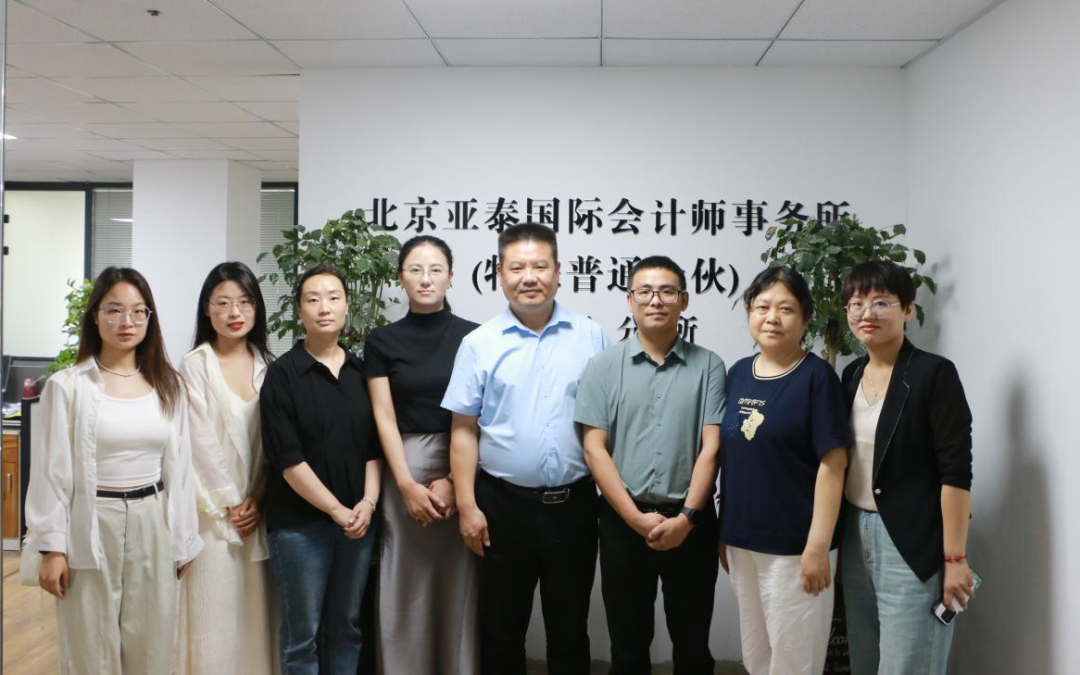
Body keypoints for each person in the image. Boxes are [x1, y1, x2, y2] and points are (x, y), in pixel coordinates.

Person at [442, 223, 610, 675]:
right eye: (517, 268)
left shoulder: (591, 336)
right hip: (501, 507)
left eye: (540, 266)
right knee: (501, 633)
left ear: (558, 270)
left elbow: (607, 423)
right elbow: (463, 430)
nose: (529, 277)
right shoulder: (479, 344)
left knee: (570, 632)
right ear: (500, 274)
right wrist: (467, 507)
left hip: (575, 506)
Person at [25, 266, 203, 674]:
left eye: (139, 311)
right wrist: (52, 548)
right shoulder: (68, 386)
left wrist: (184, 539)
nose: (127, 321)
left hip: (153, 519)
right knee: (89, 645)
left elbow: (179, 468)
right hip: (91, 521)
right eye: (114, 310)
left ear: (149, 318)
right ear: (96, 316)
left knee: (152, 643)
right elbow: (51, 473)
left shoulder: (168, 386)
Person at [575, 256, 725, 675]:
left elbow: (711, 448)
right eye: (645, 291)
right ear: (630, 300)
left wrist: (687, 518)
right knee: (628, 645)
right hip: (623, 522)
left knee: (693, 644)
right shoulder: (603, 366)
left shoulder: (709, 365)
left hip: (691, 523)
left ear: (684, 300)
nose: (655, 300)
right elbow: (594, 449)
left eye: (666, 291)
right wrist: (635, 519)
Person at [839, 260, 975, 675]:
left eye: (881, 302)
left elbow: (955, 472)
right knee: (865, 659)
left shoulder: (934, 373)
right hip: (855, 533)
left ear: (908, 310)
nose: (867, 313)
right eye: (856, 303)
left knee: (908, 664)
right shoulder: (851, 374)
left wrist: (955, 558)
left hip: (911, 538)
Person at [717, 266, 851, 675]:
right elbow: (734, 459)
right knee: (756, 655)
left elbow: (834, 464)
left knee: (794, 660)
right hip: (742, 541)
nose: (772, 318)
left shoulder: (817, 378)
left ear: (806, 316)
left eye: (786, 309)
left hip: (795, 547)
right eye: (762, 307)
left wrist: (817, 546)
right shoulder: (739, 373)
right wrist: (725, 532)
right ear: (749, 312)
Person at [365, 235, 480, 675]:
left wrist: (454, 480)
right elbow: (383, 417)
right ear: (401, 277)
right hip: (404, 469)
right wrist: (406, 485)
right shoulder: (382, 340)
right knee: (403, 580)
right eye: (415, 269)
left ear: (451, 276)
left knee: (458, 581)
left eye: (435, 270)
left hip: (462, 465)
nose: (425, 278)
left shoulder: (475, 337)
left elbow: (480, 416)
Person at [259, 264, 383, 675]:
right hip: (300, 529)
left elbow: (374, 448)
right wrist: (336, 510)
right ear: (299, 311)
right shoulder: (282, 375)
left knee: (346, 628)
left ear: (347, 306)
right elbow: (287, 460)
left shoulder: (362, 372)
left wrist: (367, 503)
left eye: (333, 298)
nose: (324, 307)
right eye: (312, 300)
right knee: (303, 637)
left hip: (357, 525)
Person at [176, 261, 277, 675]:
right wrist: (233, 503)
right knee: (212, 618)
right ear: (207, 309)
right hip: (211, 515)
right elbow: (198, 444)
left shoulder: (269, 365)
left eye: (245, 302)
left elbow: (277, 446)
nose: (235, 312)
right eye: (223, 302)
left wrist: (257, 499)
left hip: (259, 512)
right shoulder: (195, 365)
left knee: (255, 620)